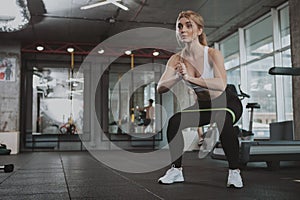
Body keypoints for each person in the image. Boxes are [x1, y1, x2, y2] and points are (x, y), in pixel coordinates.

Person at [156, 10, 243, 188]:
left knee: (223, 118)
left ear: (199, 30)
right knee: (175, 122)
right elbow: (160, 88)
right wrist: (178, 77)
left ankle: (235, 172)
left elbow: (220, 84)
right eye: (180, 26)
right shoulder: (175, 59)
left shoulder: (212, 54)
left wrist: (190, 79)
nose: (183, 29)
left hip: (227, 102)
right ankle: (176, 170)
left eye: (189, 25)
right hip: (204, 106)